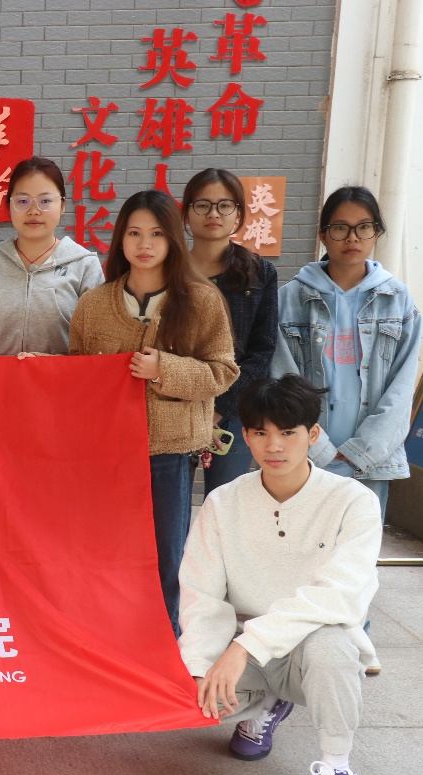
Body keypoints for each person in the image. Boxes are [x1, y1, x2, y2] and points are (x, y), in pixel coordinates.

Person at [179, 375, 380, 775]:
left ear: (313, 434)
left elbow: (338, 595)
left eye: (288, 432)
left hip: (306, 648)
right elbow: (202, 593)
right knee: (188, 691)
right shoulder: (223, 501)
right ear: (246, 436)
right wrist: (200, 666)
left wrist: (245, 648)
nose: (273, 445)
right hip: (243, 645)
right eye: (260, 432)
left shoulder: (353, 501)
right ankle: (267, 705)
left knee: (332, 645)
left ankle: (336, 769)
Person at [69, 190, 238, 635]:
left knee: (167, 554)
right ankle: (107, 636)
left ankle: (165, 639)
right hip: (106, 452)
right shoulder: (93, 304)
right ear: (120, 240)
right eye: (134, 233)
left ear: (174, 239)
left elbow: (223, 372)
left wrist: (165, 368)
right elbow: (77, 373)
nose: (144, 244)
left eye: (157, 234)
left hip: (170, 450)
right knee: (105, 549)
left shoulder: (201, 301)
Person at [270, 186, 420, 521]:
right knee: (300, 545)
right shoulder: (290, 298)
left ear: (376, 233)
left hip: (371, 460)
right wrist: (320, 448)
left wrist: (361, 451)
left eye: (363, 227)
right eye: (340, 227)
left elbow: (401, 386)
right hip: (304, 456)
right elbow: (282, 380)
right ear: (323, 234)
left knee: (358, 549)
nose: (352, 238)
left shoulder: (397, 300)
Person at [183, 168, 278, 494]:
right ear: (187, 212)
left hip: (234, 411)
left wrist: (219, 409)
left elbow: (263, 350)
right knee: (169, 503)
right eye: (202, 205)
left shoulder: (260, 273)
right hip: (175, 407)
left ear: (238, 213)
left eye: (224, 205)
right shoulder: (169, 271)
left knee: (226, 503)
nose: (213, 214)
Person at [0, 156, 104, 356]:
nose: (33, 211)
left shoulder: (85, 266)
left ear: (62, 206)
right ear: (8, 206)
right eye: (22, 201)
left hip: (63, 377)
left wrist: (50, 365)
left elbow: (95, 343)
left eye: (45, 201)